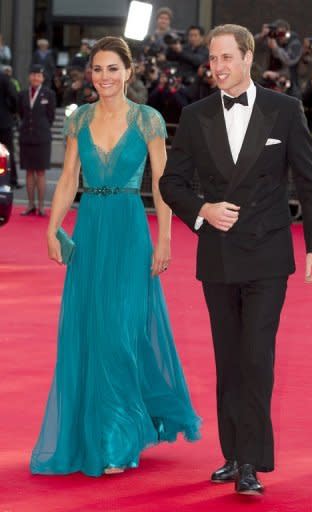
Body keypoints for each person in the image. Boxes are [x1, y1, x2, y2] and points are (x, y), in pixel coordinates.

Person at [160, 24, 312, 495]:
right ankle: (233, 454)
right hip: (218, 255)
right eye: (212, 59)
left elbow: (310, 181)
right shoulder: (195, 116)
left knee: (256, 357)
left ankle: (251, 462)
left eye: (225, 57)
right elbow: (171, 184)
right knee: (229, 359)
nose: (216, 67)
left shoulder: (285, 109)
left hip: (268, 255)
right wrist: (203, 210)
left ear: (248, 56)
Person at [30, 36, 200, 477]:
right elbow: (68, 178)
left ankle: (119, 439)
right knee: (92, 332)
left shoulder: (149, 120)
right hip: (90, 231)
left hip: (129, 231)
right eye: (97, 69)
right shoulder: (79, 118)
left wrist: (164, 240)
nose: (104, 77)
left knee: (121, 334)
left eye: (112, 69)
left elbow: (163, 183)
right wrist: (52, 227)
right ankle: (105, 433)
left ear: (129, 72)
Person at [18, 64, 56, 216]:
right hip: (26, 136)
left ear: (42, 78)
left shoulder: (49, 94)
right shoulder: (22, 94)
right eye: (33, 75)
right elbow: (21, 113)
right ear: (29, 77)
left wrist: (41, 127)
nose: (35, 78)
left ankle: (41, 206)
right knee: (28, 172)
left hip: (42, 138)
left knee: (40, 172)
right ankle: (30, 204)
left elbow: (51, 117)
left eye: (38, 75)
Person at [0, 69, 18, 187]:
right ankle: (11, 179)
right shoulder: (4, 78)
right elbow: (13, 96)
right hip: (4, 120)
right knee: (8, 151)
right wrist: (12, 111)